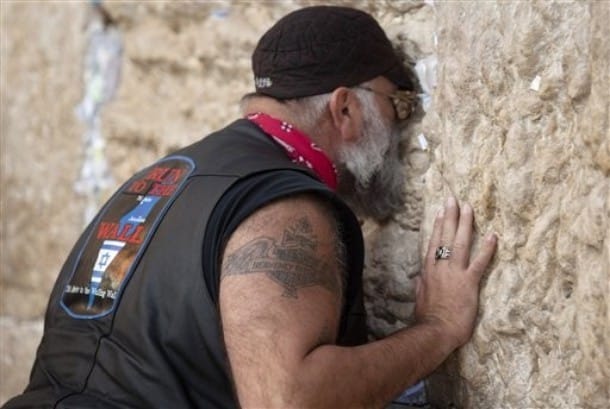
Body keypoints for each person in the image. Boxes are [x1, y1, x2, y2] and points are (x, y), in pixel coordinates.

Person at [3, 5, 497, 409]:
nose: (397, 132)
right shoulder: (282, 207)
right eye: (398, 106)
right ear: (345, 109)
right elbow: (289, 400)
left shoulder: (163, 178)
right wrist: (438, 328)